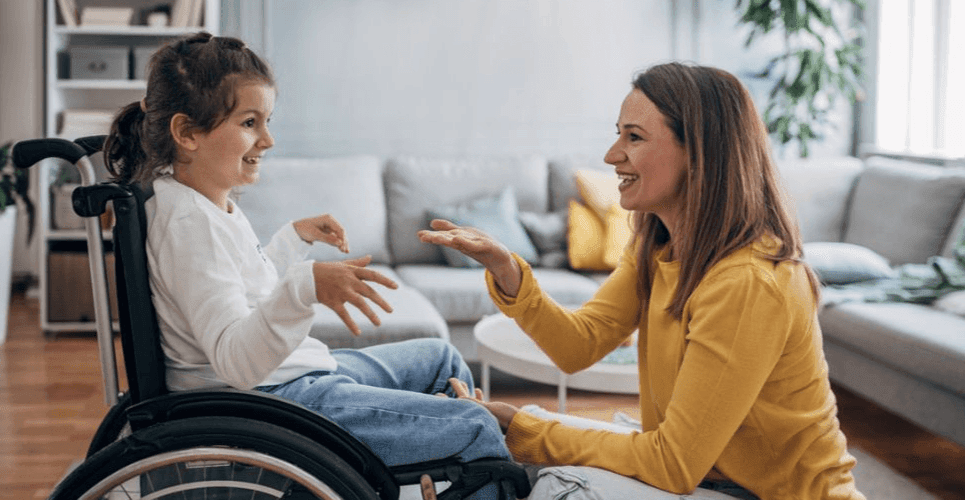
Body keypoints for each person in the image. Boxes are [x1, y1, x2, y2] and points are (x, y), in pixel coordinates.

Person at [419, 62, 866, 500]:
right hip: (710, 476)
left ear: (699, 152)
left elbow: (672, 464)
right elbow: (578, 346)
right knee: (518, 438)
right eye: (619, 134)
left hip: (765, 493)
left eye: (634, 137)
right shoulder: (657, 245)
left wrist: (522, 431)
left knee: (562, 484)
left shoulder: (749, 282)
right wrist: (507, 271)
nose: (612, 155)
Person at [102, 32, 510, 499]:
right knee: (477, 426)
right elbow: (236, 362)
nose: (269, 140)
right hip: (270, 401)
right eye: (250, 122)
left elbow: (244, 294)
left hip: (291, 377)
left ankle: (438, 466)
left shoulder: (204, 203)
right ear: (187, 133)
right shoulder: (190, 224)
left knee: (442, 358)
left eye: (267, 121)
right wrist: (305, 287)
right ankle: (463, 464)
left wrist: (291, 241)